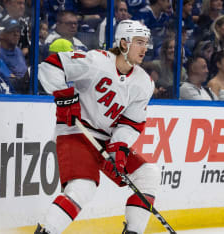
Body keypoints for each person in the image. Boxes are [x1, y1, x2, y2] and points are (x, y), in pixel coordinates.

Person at [35, 19, 159, 234]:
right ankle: (47, 231)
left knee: (148, 174)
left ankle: (133, 232)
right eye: (139, 42)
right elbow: (51, 65)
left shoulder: (144, 82)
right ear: (123, 43)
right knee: (83, 187)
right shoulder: (96, 61)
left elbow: (131, 122)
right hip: (76, 132)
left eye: (146, 43)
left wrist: (120, 148)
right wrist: (64, 97)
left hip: (107, 140)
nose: (144, 48)